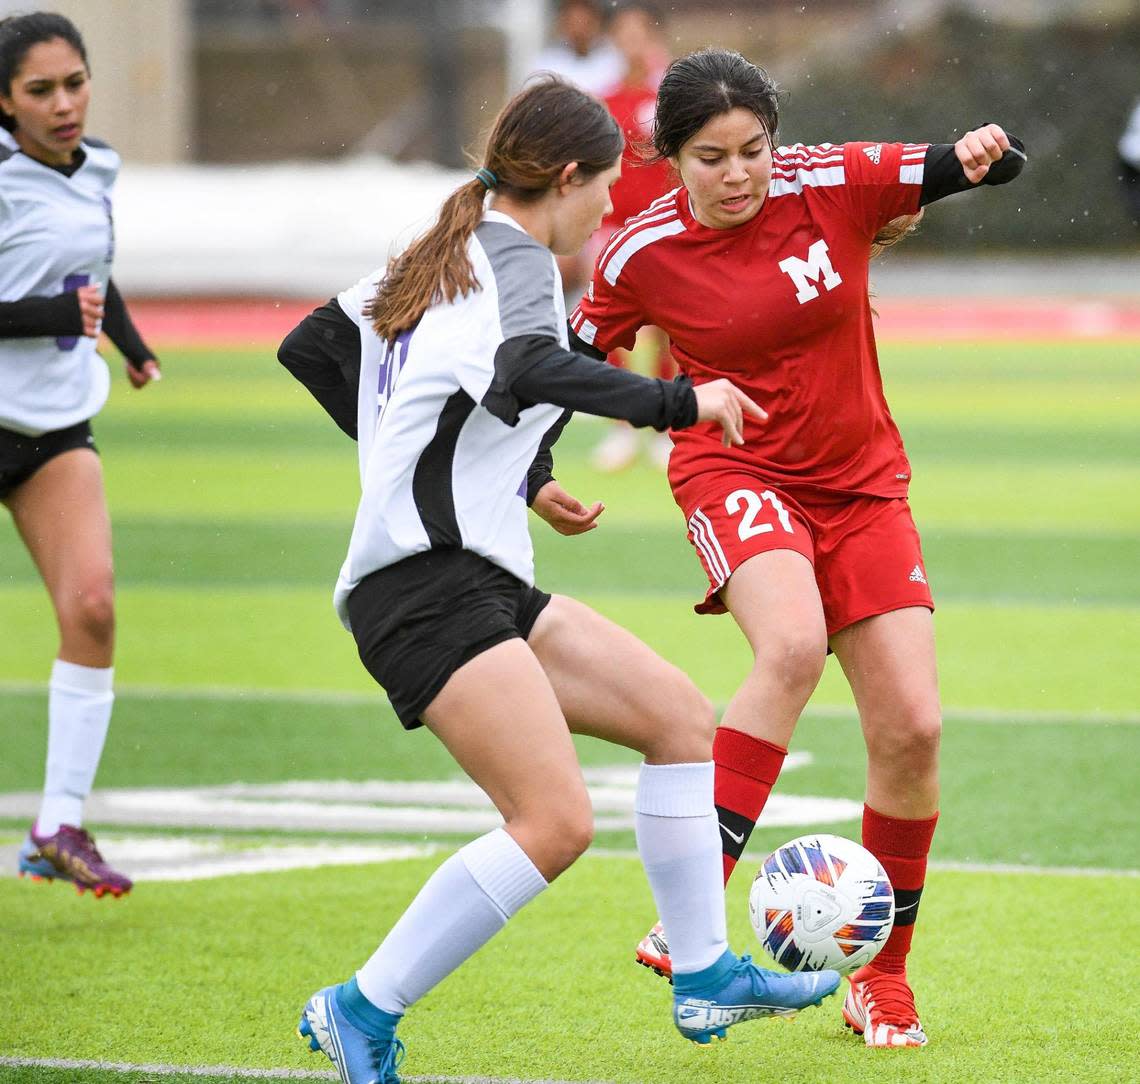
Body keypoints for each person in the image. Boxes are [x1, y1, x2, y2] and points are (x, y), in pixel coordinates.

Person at [277, 76, 839, 1083]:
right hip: (425, 589)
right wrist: (681, 400)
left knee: (677, 717)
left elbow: (316, 347)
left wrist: (505, 475)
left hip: (475, 577)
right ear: (568, 180)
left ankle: (704, 969)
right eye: (609, 190)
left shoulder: (446, 252)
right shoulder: (516, 258)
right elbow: (532, 368)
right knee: (554, 822)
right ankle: (360, 1005)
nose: (613, 210)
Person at [568, 48, 1027, 1048]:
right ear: (670, 158)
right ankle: (694, 914)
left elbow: (958, 163)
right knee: (790, 646)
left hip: (863, 484)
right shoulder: (636, 249)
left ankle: (884, 975)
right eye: (711, 158)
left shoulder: (831, 180)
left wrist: (987, 152)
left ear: (779, 141)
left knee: (913, 727)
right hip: (733, 471)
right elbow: (566, 364)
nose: (738, 175)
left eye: (753, 151)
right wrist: (532, 479)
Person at [0, 12, 161, 899]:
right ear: (4, 101)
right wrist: (55, 321)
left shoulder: (95, 164)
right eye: (39, 91)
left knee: (92, 608)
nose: (64, 104)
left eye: (74, 82)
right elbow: (62, 303)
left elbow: (93, 272)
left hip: (53, 427)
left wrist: (129, 342)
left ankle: (57, 823)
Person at [589, 0, 677, 473]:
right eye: (621, 32)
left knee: (668, 330)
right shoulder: (602, 100)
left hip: (662, 226)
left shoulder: (672, 98)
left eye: (638, 31)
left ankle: (666, 426)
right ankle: (623, 424)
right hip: (614, 229)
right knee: (613, 329)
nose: (630, 40)